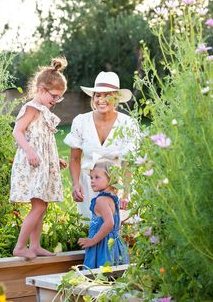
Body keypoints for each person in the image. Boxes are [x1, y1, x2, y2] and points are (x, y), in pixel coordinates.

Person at [10, 57, 68, 259]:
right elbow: (18, 132)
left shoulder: (44, 111)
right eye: (54, 96)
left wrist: (55, 159)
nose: (56, 101)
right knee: (39, 205)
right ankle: (20, 246)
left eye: (60, 98)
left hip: (43, 164)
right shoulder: (32, 108)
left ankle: (35, 245)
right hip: (32, 164)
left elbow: (46, 141)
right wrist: (29, 151)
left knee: (42, 205)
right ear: (42, 90)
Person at [64, 71, 140, 221]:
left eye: (107, 95)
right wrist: (75, 184)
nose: (101, 100)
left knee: (121, 231)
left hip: (117, 185)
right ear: (93, 98)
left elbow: (128, 162)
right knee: (92, 229)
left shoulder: (128, 124)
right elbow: (74, 159)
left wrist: (126, 193)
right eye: (98, 95)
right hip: (89, 186)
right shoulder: (81, 122)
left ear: (117, 98)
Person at [78, 159, 129, 269]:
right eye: (91, 177)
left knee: (98, 277)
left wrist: (92, 241)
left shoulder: (101, 200)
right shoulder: (112, 198)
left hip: (102, 247)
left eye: (97, 177)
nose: (92, 181)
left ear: (110, 179)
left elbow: (109, 223)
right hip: (114, 245)